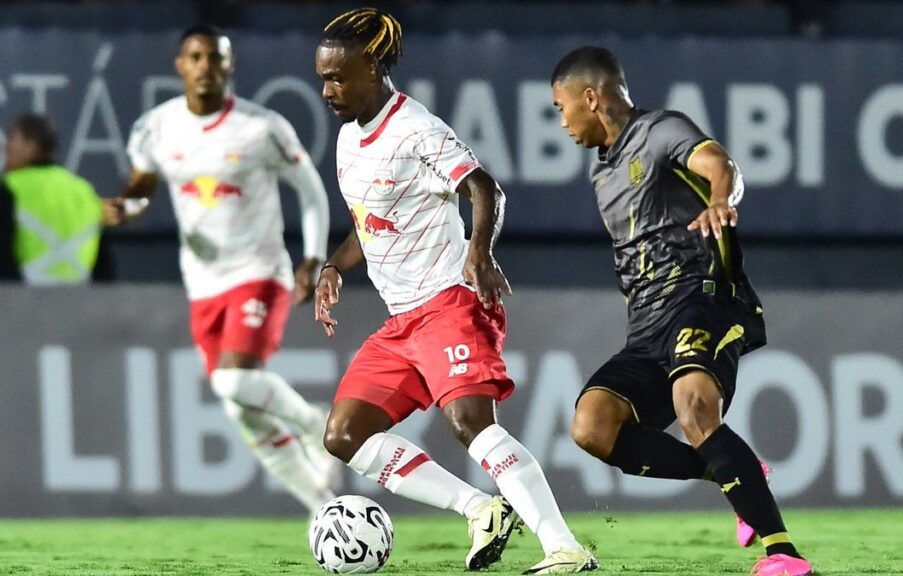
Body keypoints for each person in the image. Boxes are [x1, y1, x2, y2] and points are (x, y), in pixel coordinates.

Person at [312, 8, 597, 574]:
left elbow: (485, 189)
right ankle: (478, 508)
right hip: (401, 324)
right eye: (322, 77)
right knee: (345, 435)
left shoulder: (417, 128)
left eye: (339, 76)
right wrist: (334, 266)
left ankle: (565, 550)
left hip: (448, 303)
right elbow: (370, 224)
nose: (327, 90)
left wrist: (479, 252)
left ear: (374, 65)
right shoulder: (348, 141)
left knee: (473, 425)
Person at [550, 46, 814, 576]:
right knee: (591, 427)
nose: (561, 121)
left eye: (560, 106)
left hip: (702, 296)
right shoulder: (601, 176)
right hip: (646, 326)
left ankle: (783, 556)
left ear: (590, 96)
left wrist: (721, 198)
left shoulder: (660, 129)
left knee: (692, 406)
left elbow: (722, 166)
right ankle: (735, 471)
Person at [102, 25, 337, 514]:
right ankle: (323, 506)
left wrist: (312, 257)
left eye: (215, 57)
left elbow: (311, 189)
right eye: (195, 57)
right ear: (180, 66)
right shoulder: (156, 128)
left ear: (230, 66)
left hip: (259, 271)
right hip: (202, 282)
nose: (205, 66)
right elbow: (142, 185)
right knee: (241, 409)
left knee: (234, 382)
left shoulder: (260, 127)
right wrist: (127, 206)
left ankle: (316, 424)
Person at [0, 113, 111, 284]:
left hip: (22, 301)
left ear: (31, 145)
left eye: (11, 137)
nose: (5, 146)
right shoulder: (85, 191)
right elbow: (104, 266)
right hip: (79, 301)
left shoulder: (8, 188)